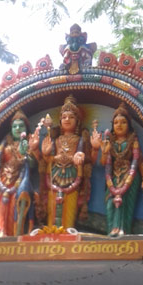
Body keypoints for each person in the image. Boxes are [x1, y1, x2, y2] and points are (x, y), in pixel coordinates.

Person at [29, 94, 91, 229]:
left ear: (78, 121)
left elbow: (86, 158)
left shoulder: (80, 139)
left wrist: (80, 155)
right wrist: (42, 153)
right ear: (60, 121)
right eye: (64, 117)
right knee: (52, 208)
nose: (67, 119)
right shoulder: (56, 140)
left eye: (71, 117)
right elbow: (46, 160)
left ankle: (67, 231)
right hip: (54, 176)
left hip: (73, 176)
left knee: (70, 209)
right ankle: (52, 234)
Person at [91, 103, 143, 236]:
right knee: (111, 205)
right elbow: (102, 163)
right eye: (116, 122)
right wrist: (104, 153)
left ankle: (123, 230)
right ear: (112, 125)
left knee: (125, 205)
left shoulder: (132, 141)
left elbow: (139, 161)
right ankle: (112, 230)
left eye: (123, 122)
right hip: (112, 178)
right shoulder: (109, 142)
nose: (119, 125)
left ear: (129, 125)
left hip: (130, 177)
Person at [0, 110, 34, 237]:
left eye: (21, 126)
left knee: (13, 206)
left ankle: (11, 232)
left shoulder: (28, 144)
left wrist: (26, 153)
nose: (17, 129)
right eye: (14, 126)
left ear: (26, 128)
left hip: (18, 180)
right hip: (1, 179)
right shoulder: (4, 145)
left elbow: (32, 165)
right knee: (0, 206)